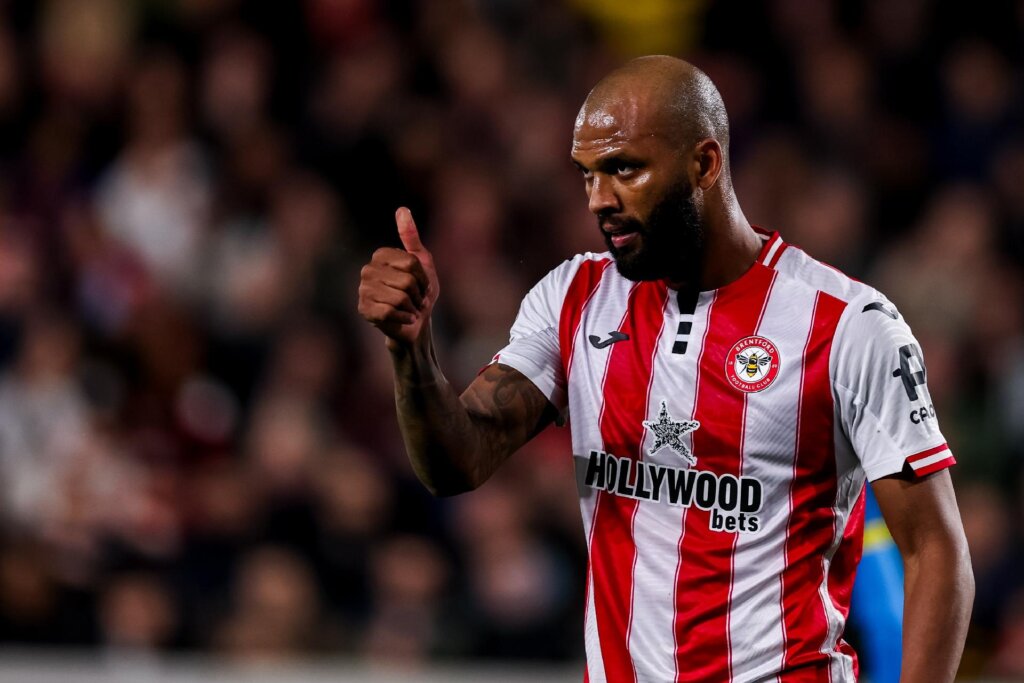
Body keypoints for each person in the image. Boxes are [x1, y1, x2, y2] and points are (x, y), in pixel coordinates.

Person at [357, 56, 974, 682]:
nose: (601, 200)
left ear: (705, 163)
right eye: (588, 175)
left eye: (625, 168)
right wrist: (411, 350)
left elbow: (935, 550)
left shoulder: (847, 324)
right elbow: (456, 461)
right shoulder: (573, 299)